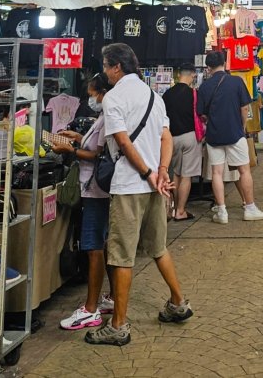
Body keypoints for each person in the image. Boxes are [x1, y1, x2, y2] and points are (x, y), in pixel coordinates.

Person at [86, 43, 191, 347]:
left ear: (116, 67)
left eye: (106, 66)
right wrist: (162, 171)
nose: (105, 72)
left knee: (121, 255)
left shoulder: (114, 97)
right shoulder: (154, 96)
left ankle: (118, 325)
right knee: (158, 247)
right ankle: (178, 302)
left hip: (130, 185)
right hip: (155, 185)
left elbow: (123, 142)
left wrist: (147, 173)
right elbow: (166, 137)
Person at [52, 75, 116, 330]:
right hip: (95, 189)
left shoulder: (108, 115)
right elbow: (95, 145)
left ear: (102, 93)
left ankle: (90, 310)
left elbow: (98, 154)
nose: (91, 99)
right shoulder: (103, 116)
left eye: (92, 94)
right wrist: (78, 137)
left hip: (95, 191)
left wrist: (71, 150)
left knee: (93, 246)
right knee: (101, 244)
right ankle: (110, 298)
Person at [196, 50, 263, 223]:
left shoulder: (204, 87)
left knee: (217, 173)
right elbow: (245, 108)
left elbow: (201, 114)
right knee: (244, 170)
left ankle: (222, 211)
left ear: (208, 67)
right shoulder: (236, 81)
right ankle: (249, 208)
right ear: (224, 63)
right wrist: (241, 126)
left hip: (214, 135)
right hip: (235, 133)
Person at [161, 67, 203, 221]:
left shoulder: (167, 94)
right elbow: (201, 114)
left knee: (177, 174)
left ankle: (174, 209)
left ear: (178, 75)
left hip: (172, 138)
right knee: (187, 176)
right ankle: (180, 211)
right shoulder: (194, 93)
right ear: (192, 75)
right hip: (191, 137)